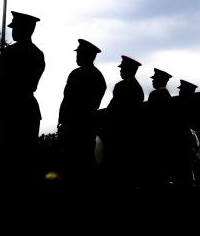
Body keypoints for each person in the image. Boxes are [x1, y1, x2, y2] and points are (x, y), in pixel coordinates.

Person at [0, 11, 45, 187]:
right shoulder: (38, 54)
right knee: (26, 162)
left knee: (6, 162)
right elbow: (32, 85)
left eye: (15, 27)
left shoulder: (10, 52)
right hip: (29, 110)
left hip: (10, 111)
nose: (12, 31)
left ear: (25, 29)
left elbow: (0, 81)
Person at [57, 39, 106, 193]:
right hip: (84, 127)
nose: (76, 56)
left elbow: (69, 101)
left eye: (79, 52)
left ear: (86, 55)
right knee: (82, 162)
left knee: (77, 164)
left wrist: (63, 122)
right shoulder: (98, 77)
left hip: (77, 127)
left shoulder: (78, 75)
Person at [100, 55, 144, 196]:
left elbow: (112, 110)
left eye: (122, 67)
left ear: (129, 69)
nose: (120, 70)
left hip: (118, 136)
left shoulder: (122, 86)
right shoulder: (138, 88)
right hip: (129, 137)